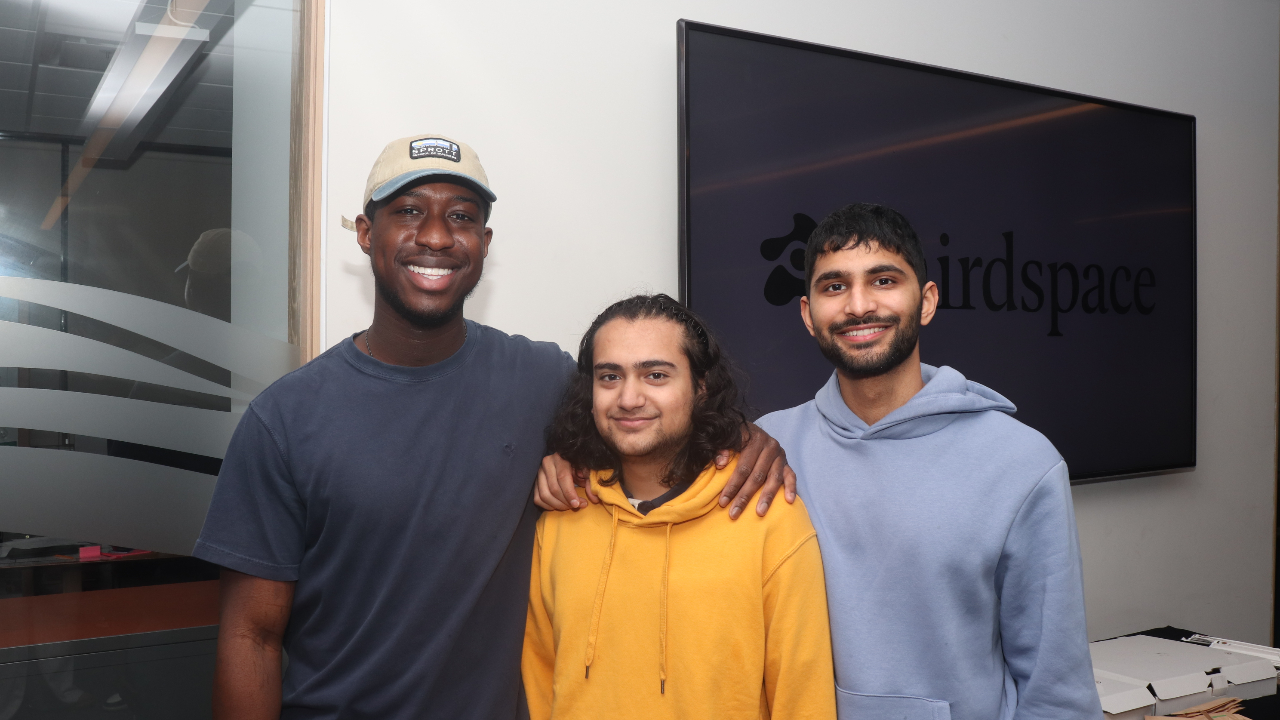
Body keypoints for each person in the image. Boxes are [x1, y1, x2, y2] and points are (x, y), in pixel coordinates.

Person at [193, 134, 794, 720]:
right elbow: (251, 637)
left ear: (483, 243)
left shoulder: (540, 377)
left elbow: (650, 419)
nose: (435, 236)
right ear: (366, 233)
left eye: (460, 216)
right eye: (408, 212)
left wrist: (745, 439)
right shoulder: (285, 418)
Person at [755, 203, 1103, 720]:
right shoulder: (767, 448)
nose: (858, 305)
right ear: (808, 314)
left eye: (884, 280)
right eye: (834, 287)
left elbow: (1056, 690)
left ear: (927, 301)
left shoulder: (1022, 464)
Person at [523, 294, 835, 720]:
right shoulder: (563, 514)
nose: (629, 398)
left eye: (655, 375)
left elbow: (804, 696)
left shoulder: (768, 515)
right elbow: (540, 683)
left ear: (700, 387)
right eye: (610, 377)